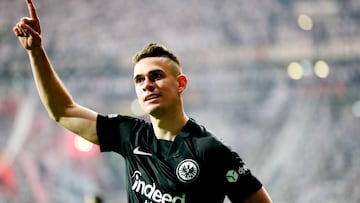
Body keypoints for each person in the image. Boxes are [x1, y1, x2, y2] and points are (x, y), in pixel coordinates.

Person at [13, 0, 273, 202]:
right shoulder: (130, 135)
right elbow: (63, 111)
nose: (146, 84)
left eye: (156, 76)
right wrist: (36, 52)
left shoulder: (210, 151)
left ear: (180, 84)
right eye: (139, 80)